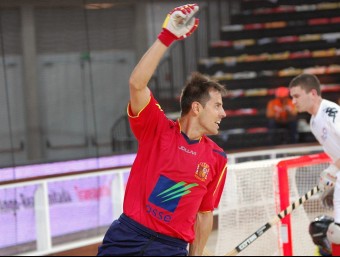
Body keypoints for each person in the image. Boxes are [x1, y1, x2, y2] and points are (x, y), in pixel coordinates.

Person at [97, 4, 228, 256]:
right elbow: (137, 84)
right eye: (218, 106)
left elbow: (204, 214)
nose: (223, 113)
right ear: (197, 108)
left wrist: (196, 255)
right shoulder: (156, 128)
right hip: (127, 236)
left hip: (170, 249)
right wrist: (166, 37)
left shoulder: (217, 159)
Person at [289, 73, 340, 255]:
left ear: (312, 93)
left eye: (296, 96)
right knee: (335, 234)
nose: (293, 101)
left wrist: (333, 170)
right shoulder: (313, 123)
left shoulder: (330, 112)